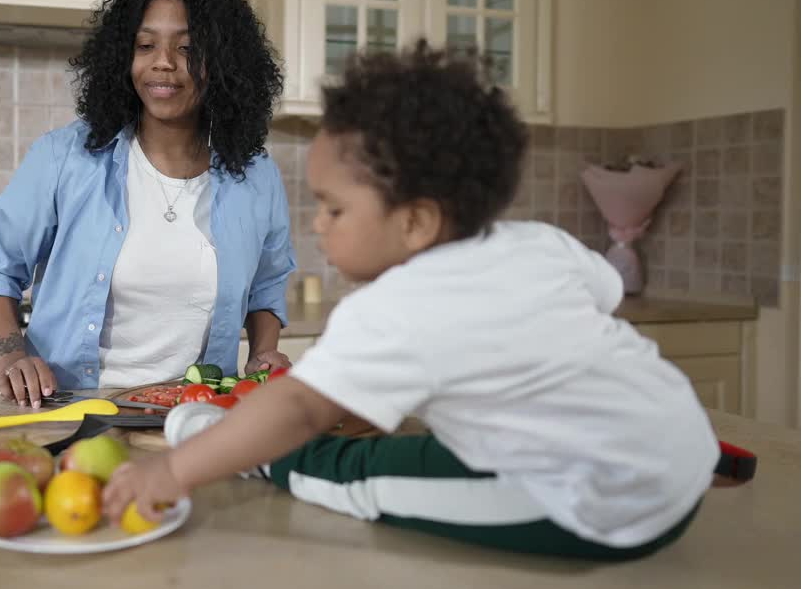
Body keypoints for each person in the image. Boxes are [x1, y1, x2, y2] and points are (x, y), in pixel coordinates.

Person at [103, 41, 719, 560]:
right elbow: (602, 298)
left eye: (334, 208)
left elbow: (298, 410)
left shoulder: (394, 308)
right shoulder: (541, 244)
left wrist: (171, 471)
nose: (318, 226)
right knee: (413, 450)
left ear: (417, 221)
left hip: (597, 500)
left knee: (357, 476)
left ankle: (241, 453)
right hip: (682, 451)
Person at [0, 0, 298, 408]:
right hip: (72, 411)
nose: (163, 61)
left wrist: (262, 354)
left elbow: (267, 284)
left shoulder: (256, 176)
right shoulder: (65, 157)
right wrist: (11, 357)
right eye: (146, 46)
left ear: (224, 62)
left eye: (188, 49)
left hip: (199, 414)